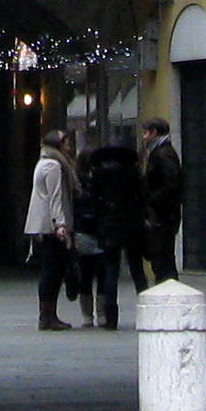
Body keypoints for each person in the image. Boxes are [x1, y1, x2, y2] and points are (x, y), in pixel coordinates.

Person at [79, 130, 142, 326]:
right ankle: (147, 310)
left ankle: (111, 317)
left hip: (108, 225)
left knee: (111, 270)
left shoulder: (99, 172)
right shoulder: (133, 171)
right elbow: (141, 196)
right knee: (137, 270)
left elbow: (94, 200)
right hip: (131, 224)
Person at [26, 130, 77, 330]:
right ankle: (47, 316)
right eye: (66, 143)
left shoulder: (44, 162)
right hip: (51, 227)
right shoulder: (53, 165)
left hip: (46, 225)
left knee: (52, 270)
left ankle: (48, 315)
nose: (69, 147)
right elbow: (55, 197)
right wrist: (61, 224)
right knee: (52, 271)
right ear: (57, 145)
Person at [137, 118, 185, 285]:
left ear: (154, 132)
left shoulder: (162, 153)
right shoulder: (158, 152)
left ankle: (167, 289)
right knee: (162, 258)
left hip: (163, 216)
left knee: (163, 259)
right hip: (163, 215)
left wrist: (151, 201)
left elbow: (171, 184)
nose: (143, 137)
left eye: (145, 133)